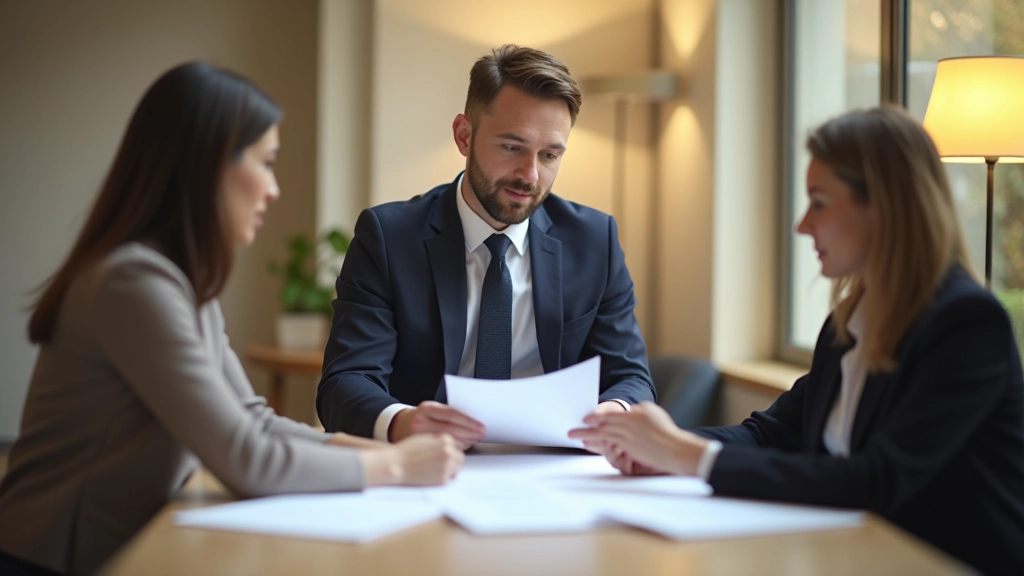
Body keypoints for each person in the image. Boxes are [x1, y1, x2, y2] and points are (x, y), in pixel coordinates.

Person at [0, 62, 464, 576]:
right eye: (266, 163)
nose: (273, 189)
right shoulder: (133, 284)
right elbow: (246, 459)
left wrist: (385, 442)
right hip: (49, 557)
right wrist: (397, 466)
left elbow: (254, 420)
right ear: (208, 166)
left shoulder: (181, 283)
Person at [570, 106, 1024, 575]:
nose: (803, 225)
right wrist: (656, 446)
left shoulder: (967, 324)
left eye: (820, 202)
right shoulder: (849, 324)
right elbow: (774, 434)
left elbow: (878, 480)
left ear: (885, 208)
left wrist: (685, 455)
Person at [317, 44, 656, 448]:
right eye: (512, 147)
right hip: (428, 463)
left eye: (549, 155)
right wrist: (406, 423)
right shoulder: (389, 237)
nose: (530, 175)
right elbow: (345, 382)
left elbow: (631, 378)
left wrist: (612, 413)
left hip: (557, 470)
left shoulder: (593, 240)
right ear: (464, 135)